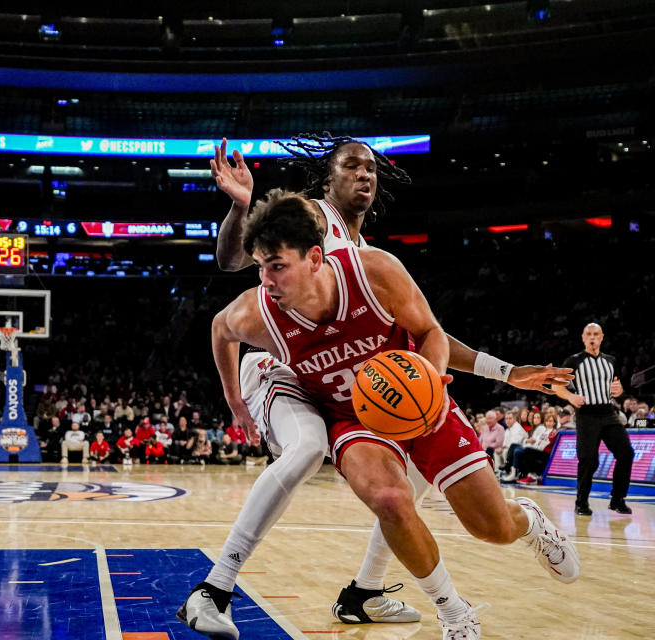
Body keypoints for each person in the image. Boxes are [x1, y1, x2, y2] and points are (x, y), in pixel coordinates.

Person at [179, 137, 574, 640]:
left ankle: (367, 590)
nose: (365, 176)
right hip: (298, 377)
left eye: (371, 168)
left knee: (463, 513)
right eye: (351, 166)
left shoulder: (370, 259)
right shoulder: (316, 219)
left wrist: (503, 371)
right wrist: (241, 206)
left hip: (383, 385)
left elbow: (424, 330)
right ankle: (218, 587)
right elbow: (236, 259)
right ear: (328, 178)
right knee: (336, 466)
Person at [554, 323, 634, 515]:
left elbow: (618, 388)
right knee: (588, 460)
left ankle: (617, 499)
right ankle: (581, 502)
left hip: (608, 413)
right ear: (583, 337)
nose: (592, 337)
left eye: (596, 334)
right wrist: (571, 397)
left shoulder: (611, 361)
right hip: (586, 415)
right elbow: (557, 386)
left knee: (626, 453)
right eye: (588, 334)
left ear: (602, 337)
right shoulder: (573, 361)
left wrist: (619, 390)